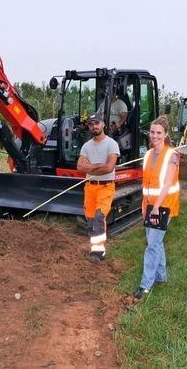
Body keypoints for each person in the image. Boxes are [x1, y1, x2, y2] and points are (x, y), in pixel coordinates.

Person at [134, 116, 180, 299]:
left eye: (159, 133)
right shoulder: (148, 154)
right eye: (152, 132)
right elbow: (147, 184)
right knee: (156, 242)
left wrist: (156, 207)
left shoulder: (172, 156)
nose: (155, 136)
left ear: (166, 134)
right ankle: (161, 276)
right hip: (150, 205)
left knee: (152, 245)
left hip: (164, 206)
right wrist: (144, 204)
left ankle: (145, 285)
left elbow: (167, 184)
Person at [76, 112, 120, 263]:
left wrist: (90, 167)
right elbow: (79, 167)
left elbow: (108, 168)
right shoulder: (86, 146)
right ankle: (94, 246)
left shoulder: (111, 144)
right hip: (90, 187)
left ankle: (98, 251)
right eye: (90, 124)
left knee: (99, 217)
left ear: (102, 124)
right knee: (90, 219)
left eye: (96, 123)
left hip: (106, 186)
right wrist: (97, 165)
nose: (94, 126)